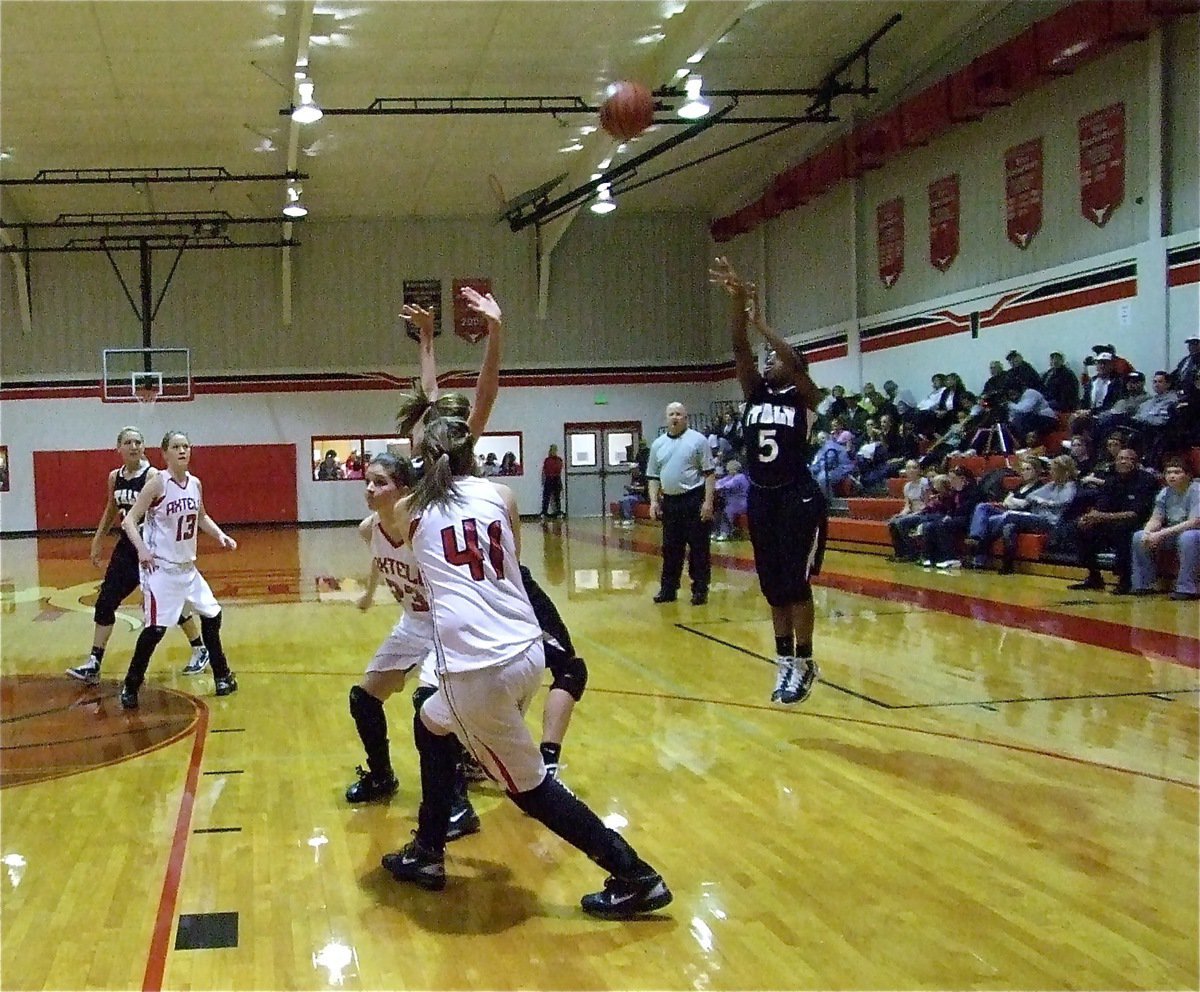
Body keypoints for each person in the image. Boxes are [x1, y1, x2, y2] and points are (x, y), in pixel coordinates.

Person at [380, 416, 672, 919]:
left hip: (477, 668)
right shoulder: (500, 495)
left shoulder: (409, 511)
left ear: (422, 463)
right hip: (526, 648)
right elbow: (509, 553)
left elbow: (390, 516)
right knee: (430, 720)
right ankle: (428, 849)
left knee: (530, 789)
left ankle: (634, 874)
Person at [396, 290, 586, 781]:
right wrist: (490, 334)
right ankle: (513, 761)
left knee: (519, 677)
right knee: (499, 681)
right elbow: (470, 396)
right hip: (479, 586)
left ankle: (504, 753)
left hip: (486, 579)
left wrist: (427, 338)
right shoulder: (432, 465)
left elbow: (469, 393)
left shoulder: (439, 455)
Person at [346, 452, 482, 837]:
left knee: (430, 710)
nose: (370, 489)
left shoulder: (424, 529)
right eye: (368, 481)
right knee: (364, 698)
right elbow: (378, 557)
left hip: (443, 626)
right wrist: (370, 596)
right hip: (412, 624)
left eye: (380, 482)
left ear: (403, 489)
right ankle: (382, 776)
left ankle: (457, 803)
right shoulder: (368, 529)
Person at [710, 257, 825, 706]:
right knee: (773, 588)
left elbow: (795, 359)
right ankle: (784, 664)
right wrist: (739, 305)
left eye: (776, 359)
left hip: (798, 497)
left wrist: (763, 326)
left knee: (797, 585)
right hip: (763, 497)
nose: (770, 361)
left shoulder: (808, 399)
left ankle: (806, 660)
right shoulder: (756, 393)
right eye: (770, 359)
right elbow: (738, 348)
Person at [67, 427, 208, 685]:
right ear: (118, 448)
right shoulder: (115, 477)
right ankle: (94, 661)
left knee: (165, 605)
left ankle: (200, 648)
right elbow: (112, 508)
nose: (134, 446)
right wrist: (98, 539)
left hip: (153, 548)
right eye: (128, 442)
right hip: (127, 548)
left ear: (144, 447)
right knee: (106, 601)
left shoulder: (153, 476)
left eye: (138, 442)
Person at [116, 431, 239, 708]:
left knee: (213, 615)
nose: (182, 451)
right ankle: (131, 685)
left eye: (186, 446)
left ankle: (222, 676)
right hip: (161, 570)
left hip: (187, 569)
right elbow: (129, 522)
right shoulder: (157, 483)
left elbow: (202, 516)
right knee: (155, 630)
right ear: (165, 453)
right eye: (176, 447)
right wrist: (142, 550)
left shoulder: (195, 483)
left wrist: (220, 535)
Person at [646, 402, 716, 605]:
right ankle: (668, 589)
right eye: (671, 414)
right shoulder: (658, 444)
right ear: (666, 418)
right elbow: (653, 476)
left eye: (679, 414)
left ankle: (700, 589)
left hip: (693, 499)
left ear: (686, 418)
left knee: (699, 548)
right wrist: (653, 502)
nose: (675, 418)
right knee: (670, 548)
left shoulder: (698, 441)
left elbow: (709, 473)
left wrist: (708, 503)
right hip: (670, 502)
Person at [1067, 447, 1158, 593]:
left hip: (1139, 523)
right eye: (1121, 458)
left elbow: (1135, 514)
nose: (1124, 462)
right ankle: (1094, 576)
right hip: (1110, 521)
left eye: (1129, 459)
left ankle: (1125, 579)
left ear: (1137, 463)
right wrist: (1088, 518)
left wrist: (1102, 517)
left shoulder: (1146, 480)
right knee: (1081, 528)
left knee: (1123, 530)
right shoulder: (1111, 481)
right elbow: (1101, 506)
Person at [964, 456, 1077, 573]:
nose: (1051, 473)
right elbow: (1031, 496)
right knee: (995, 518)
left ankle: (977, 543)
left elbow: (1064, 502)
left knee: (1007, 516)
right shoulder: (1051, 485)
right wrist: (1040, 501)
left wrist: (1045, 502)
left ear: (1063, 471)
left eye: (1054, 470)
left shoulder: (1070, 485)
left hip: (1050, 521)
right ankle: (978, 542)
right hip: (1037, 516)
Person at [1127, 456, 1200, 600]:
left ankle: (1187, 587)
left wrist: (1161, 534)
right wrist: (1148, 533)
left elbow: (1194, 522)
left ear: (1188, 475)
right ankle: (1144, 584)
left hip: (1194, 531)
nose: (1172, 476)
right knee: (1138, 536)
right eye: (1168, 472)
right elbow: (1156, 518)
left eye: (1177, 472)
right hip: (1173, 531)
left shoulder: (1196, 490)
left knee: (1188, 538)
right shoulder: (1165, 492)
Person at [886, 459, 933, 561]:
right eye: (908, 468)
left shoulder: (924, 483)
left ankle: (913, 552)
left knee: (902, 523)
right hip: (912, 512)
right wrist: (901, 514)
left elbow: (928, 504)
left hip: (924, 512)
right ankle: (900, 553)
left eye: (914, 468)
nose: (911, 470)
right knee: (893, 521)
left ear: (919, 470)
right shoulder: (907, 486)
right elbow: (908, 505)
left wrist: (913, 514)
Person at [713, 459, 749, 540]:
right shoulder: (730, 477)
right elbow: (720, 482)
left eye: (729, 469)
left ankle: (725, 533)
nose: (728, 471)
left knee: (726, 510)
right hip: (731, 502)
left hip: (740, 503)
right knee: (718, 509)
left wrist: (718, 486)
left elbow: (727, 485)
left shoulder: (740, 477)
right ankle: (717, 531)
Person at [540, 444, 564, 519]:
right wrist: (544, 481)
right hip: (549, 478)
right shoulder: (547, 460)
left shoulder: (559, 460)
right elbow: (544, 471)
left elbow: (559, 471)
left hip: (556, 478)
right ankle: (544, 512)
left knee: (557, 497)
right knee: (546, 497)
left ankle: (558, 512)